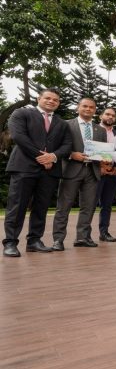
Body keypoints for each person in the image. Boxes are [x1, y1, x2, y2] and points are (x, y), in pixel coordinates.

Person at [3, 88, 72, 258]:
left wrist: (53, 157)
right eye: (47, 98)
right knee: (17, 206)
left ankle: (34, 241)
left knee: (41, 208)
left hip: (49, 172)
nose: (51, 101)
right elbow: (19, 137)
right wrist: (42, 157)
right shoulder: (21, 114)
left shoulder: (62, 123)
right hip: (24, 167)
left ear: (58, 103)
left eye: (55, 100)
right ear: (39, 98)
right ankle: (10, 242)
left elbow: (67, 145)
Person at [51, 98, 108, 250]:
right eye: (85, 106)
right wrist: (71, 154)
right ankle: (58, 240)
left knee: (88, 207)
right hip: (71, 169)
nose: (88, 109)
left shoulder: (100, 130)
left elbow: (103, 151)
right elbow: (57, 147)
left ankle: (82, 238)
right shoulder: (66, 125)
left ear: (95, 110)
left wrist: (105, 158)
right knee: (63, 206)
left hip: (92, 171)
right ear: (78, 108)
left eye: (91, 107)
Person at [95, 107, 116, 242]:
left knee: (107, 205)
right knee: (90, 204)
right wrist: (99, 167)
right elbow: (89, 150)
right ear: (101, 116)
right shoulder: (93, 130)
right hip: (95, 173)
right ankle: (84, 235)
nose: (110, 117)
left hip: (112, 174)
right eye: (107, 114)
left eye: (113, 115)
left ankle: (104, 232)